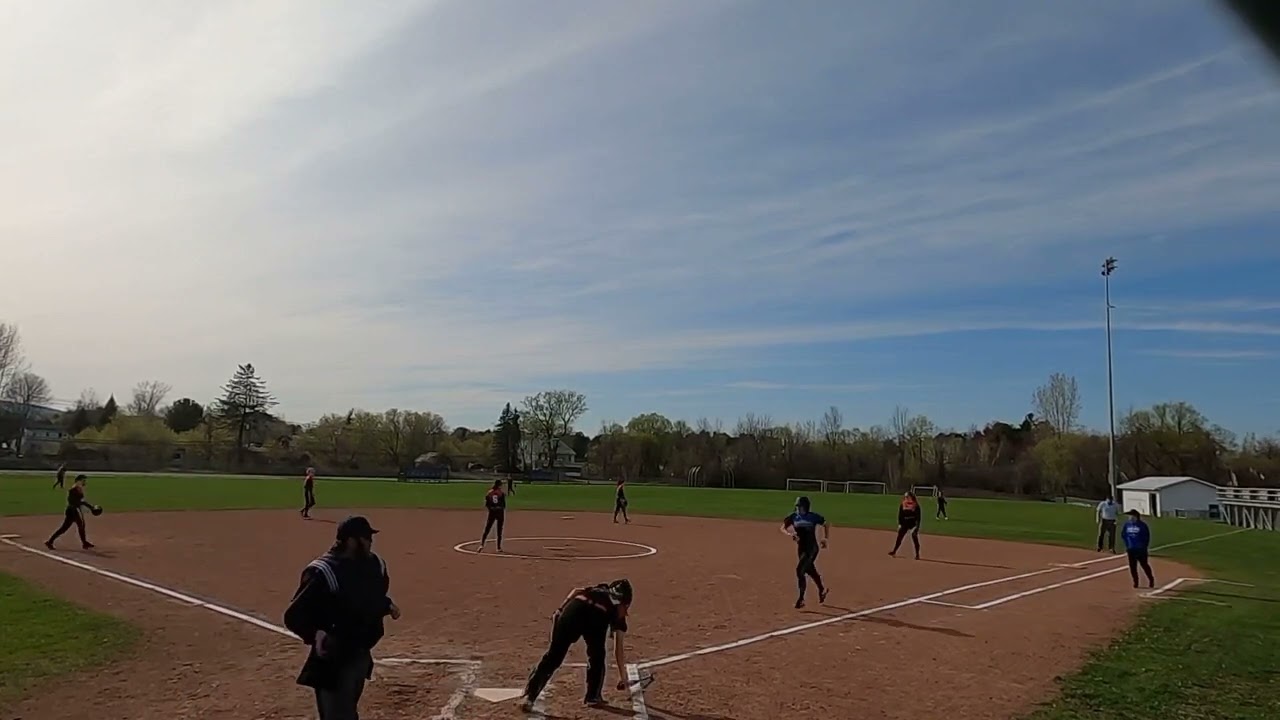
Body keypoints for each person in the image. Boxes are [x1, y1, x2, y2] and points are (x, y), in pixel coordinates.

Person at [283, 515, 401, 720]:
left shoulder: (374, 565)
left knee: (345, 711)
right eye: (366, 537)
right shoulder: (324, 570)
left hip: (361, 655)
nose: (370, 541)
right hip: (334, 660)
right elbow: (294, 615)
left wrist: (386, 605)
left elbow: (369, 598)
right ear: (350, 540)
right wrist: (315, 632)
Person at [522, 579, 633, 710]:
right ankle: (592, 697)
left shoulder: (598, 590)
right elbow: (618, 649)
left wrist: (560, 609)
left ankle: (529, 696)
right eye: (626, 606)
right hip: (592, 618)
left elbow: (576, 591)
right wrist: (623, 678)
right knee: (597, 656)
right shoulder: (613, 611)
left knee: (554, 656)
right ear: (621, 602)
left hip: (572, 611)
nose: (625, 611)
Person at [780, 496, 830, 609]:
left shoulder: (812, 517)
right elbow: (783, 528)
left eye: (800, 506)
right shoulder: (794, 517)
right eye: (797, 506)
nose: (798, 508)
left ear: (806, 507)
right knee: (808, 569)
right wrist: (791, 534)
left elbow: (826, 523)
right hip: (801, 549)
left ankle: (801, 599)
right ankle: (822, 590)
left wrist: (825, 538)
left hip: (812, 548)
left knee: (800, 570)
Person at [45, 474, 98, 550]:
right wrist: (90, 507)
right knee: (79, 525)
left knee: (68, 527)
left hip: (73, 509)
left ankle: (50, 542)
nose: (85, 482)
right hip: (73, 510)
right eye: (83, 480)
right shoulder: (74, 489)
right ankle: (84, 543)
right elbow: (75, 501)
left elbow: (80, 501)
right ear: (79, 480)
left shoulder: (78, 488)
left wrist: (90, 507)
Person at [1121, 509, 1155, 589]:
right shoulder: (1127, 525)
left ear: (1136, 516)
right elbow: (1123, 535)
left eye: (1131, 515)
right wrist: (1127, 544)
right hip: (1131, 549)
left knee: (1144, 565)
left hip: (1140, 549)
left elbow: (1146, 537)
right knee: (1133, 567)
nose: (1130, 517)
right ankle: (1135, 582)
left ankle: (1151, 579)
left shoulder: (1142, 525)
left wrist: (1143, 546)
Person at [889, 491, 922, 559]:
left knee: (914, 536)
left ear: (911, 497)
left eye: (907, 496)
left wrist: (917, 527)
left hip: (913, 524)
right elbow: (900, 515)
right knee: (899, 536)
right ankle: (894, 551)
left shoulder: (916, 505)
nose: (906, 498)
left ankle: (917, 554)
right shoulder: (903, 504)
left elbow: (918, 518)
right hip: (905, 523)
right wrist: (900, 524)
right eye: (905, 497)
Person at [479, 479, 506, 552]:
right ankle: (498, 547)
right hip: (500, 512)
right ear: (499, 485)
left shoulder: (489, 493)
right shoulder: (501, 493)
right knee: (499, 530)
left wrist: (492, 508)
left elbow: (487, 504)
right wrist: (499, 508)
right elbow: (503, 505)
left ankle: (482, 544)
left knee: (487, 528)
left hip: (492, 512)